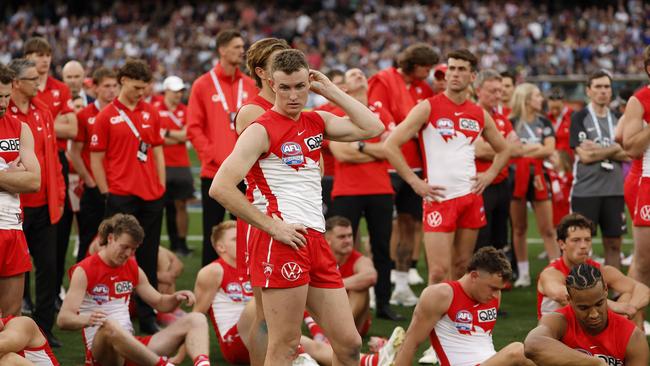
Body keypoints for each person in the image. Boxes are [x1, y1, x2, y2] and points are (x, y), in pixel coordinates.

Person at [210, 49, 384, 365]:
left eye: (301, 86)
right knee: (286, 345)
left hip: (315, 239)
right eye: (286, 87)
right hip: (280, 240)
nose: (294, 95)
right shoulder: (260, 129)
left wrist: (331, 90)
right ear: (272, 85)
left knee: (349, 343)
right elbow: (220, 187)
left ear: (310, 83)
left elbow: (372, 127)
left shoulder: (316, 120)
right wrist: (272, 225)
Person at [194, 220, 403, 366]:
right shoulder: (213, 271)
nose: (241, 242)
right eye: (234, 240)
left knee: (300, 334)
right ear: (220, 247)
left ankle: (370, 360)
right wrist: (193, 354)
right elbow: (197, 316)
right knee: (270, 310)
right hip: (237, 339)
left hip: (268, 330)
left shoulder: (257, 262)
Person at [384, 49, 510, 285]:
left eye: (461, 69)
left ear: (473, 76)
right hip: (439, 199)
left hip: (470, 198)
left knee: (462, 268)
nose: (454, 74)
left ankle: (451, 322)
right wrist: (414, 182)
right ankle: (431, 323)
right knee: (438, 272)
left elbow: (504, 149)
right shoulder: (428, 107)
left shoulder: (479, 114)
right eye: (451, 68)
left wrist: (490, 174)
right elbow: (390, 144)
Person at [57, 214, 211, 366]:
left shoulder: (132, 268)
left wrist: (176, 298)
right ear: (110, 238)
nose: (128, 254)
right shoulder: (84, 270)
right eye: (124, 247)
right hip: (104, 354)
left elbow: (159, 302)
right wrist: (89, 319)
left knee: (197, 319)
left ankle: (203, 364)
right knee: (109, 324)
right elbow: (63, 319)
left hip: (131, 348)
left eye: (133, 249)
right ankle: (161, 364)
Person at [89, 59, 166, 334]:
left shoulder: (152, 112)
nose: (141, 93)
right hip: (121, 195)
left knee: (149, 255)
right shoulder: (105, 116)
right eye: (137, 87)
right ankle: (116, 311)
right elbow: (96, 157)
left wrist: (161, 184)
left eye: (145, 88)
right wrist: (105, 191)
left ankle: (147, 316)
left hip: (151, 195)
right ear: (123, 81)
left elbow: (157, 150)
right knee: (117, 255)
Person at [231, 36, 291, 366]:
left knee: (288, 314)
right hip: (264, 217)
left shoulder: (292, 106)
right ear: (263, 72)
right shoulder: (253, 111)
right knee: (265, 312)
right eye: (280, 62)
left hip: (297, 215)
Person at [368, 43, 437, 306]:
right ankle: (377, 284)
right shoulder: (384, 79)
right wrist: (399, 131)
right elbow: (377, 110)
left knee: (410, 224)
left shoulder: (424, 87)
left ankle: (402, 282)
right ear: (414, 64)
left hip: (417, 165)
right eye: (426, 67)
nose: (429, 72)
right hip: (389, 165)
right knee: (384, 228)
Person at [328, 68, 399, 319]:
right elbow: (341, 153)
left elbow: (392, 149)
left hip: (380, 189)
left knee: (382, 249)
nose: (359, 75)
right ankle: (336, 300)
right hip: (348, 191)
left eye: (361, 73)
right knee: (337, 248)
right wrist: (374, 148)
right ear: (344, 88)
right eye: (352, 74)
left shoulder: (381, 110)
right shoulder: (337, 112)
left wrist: (358, 145)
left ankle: (383, 303)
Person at [186, 29, 258, 266]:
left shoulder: (249, 85)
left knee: (247, 233)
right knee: (214, 234)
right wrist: (214, 156)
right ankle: (211, 294)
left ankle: (246, 288)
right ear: (222, 50)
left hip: (247, 172)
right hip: (215, 172)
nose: (242, 51)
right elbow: (194, 128)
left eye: (242, 46)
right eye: (237, 47)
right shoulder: (202, 85)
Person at [7, 59, 65, 347]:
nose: (38, 83)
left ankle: (43, 329)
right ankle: (17, 330)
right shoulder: (9, 116)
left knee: (48, 267)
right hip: (14, 209)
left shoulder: (43, 111)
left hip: (44, 203)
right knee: (17, 271)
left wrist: (60, 194)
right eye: (32, 79)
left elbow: (52, 160)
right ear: (16, 82)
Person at [394, 247, 534, 366]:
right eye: (492, 288)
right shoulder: (441, 294)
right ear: (474, 276)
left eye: (499, 290)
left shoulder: (493, 296)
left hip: (488, 361)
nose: (496, 295)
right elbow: (410, 344)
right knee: (518, 351)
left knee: (538, 349)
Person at [23, 38, 78, 311]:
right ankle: (24, 297)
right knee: (19, 237)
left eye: (46, 55)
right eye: (37, 55)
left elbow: (72, 129)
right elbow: (63, 126)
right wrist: (49, 125)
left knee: (58, 228)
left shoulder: (60, 89)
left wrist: (42, 125)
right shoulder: (19, 91)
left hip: (55, 159)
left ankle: (52, 294)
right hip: (26, 160)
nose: (43, 60)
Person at [525, 264, 649, 366]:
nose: (594, 314)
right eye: (583, 308)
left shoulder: (632, 336)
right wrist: (595, 363)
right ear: (569, 300)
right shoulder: (558, 320)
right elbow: (532, 344)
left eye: (599, 303)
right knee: (515, 352)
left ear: (606, 291)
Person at [537, 214, 649, 325]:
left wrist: (632, 307)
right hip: (557, 333)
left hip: (586, 330)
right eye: (576, 240)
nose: (583, 245)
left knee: (630, 297)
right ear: (562, 244)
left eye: (587, 240)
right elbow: (564, 296)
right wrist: (617, 307)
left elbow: (642, 289)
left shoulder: (600, 269)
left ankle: (624, 335)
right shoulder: (550, 273)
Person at [569, 70, 627, 269]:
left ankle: (615, 293)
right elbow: (585, 156)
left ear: (611, 91)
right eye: (598, 87)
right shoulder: (579, 117)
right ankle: (582, 291)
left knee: (614, 244)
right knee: (581, 245)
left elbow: (629, 153)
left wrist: (599, 150)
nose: (603, 91)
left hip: (615, 191)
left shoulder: (620, 118)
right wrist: (615, 149)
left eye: (606, 87)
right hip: (586, 192)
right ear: (588, 91)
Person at [508, 83, 559, 287]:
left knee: (547, 229)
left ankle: (556, 271)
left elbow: (549, 149)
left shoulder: (544, 121)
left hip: (539, 177)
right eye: (538, 95)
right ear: (527, 99)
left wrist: (524, 150)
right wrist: (535, 147)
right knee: (519, 228)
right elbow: (508, 150)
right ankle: (523, 273)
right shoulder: (510, 122)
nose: (542, 99)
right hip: (515, 177)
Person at [0, 63, 40, 316]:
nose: (3, 103)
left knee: (11, 314)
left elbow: (34, 182)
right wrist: (10, 174)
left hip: (12, 227)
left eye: (6, 96)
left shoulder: (19, 127)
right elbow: (24, 178)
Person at [70, 67, 118, 263]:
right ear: (95, 88)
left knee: (119, 240)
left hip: (117, 186)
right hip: (94, 188)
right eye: (107, 86)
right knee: (88, 238)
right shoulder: (84, 115)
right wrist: (89, 180)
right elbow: (75, 152)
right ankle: (80, 286)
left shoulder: (122, 112)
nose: (112, 90)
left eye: (115, 86)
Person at [473, 69, 519, 252]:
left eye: (500, 91)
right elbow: (478, 149)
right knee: (481, 238)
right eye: (493, 91)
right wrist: (504, 148)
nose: (498, 95)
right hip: (481, 184)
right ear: (478, 91)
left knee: (500, 238)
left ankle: (496, 279)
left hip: (501, 183)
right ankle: (479, 278)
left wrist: (501, 150)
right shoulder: (470, 115)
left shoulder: (502, 119)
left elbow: (517, 149)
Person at [154, 75, 194, 256]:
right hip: (159, 165)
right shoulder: (154, 109)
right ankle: (161, 244)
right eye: (175, 91)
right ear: (166, 91)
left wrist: (167, 133)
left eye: (181, 91)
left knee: (181, 205)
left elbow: (188, 135)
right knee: (158, 207)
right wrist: (175, 137)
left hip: (180, 165)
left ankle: (182, 244)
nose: (179, 95)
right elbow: (155, 137)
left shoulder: (186, 110)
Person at [621, 45, 650, 291]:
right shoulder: (639, 99)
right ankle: (634, 325)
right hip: (647, 181)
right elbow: (630, 146)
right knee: (643, 263)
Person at [325, 216, 377, 335]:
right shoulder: (320, 259)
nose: (348, 240)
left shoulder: (359, 260)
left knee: (361, 287)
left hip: (354, 323)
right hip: (326, 314)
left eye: (350, 235)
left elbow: (370, 276)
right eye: (342, 237)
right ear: (328, 239)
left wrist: (330, 286)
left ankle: (340, 331)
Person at [314, 69, 346, 218]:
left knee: (349, 222)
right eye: (337, 84)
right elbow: (337, 148)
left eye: (343, 84)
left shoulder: (351, 109)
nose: (342, 88)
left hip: (347, 176)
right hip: (328, 176)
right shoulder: (319, 113)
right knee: (329, 221)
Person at [546, 87, 573, 155]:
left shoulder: (572, 116)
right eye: (552, 108)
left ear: (563, 102)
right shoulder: (546, 119)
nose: (554, 111)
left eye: (557, 108)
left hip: (568, 161)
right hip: (550, 161)